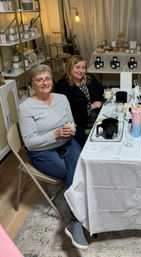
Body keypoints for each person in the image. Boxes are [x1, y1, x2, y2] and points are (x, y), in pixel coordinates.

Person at [18, 64, 89, 250]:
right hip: (42, 152)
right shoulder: (26, 107)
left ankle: (75, 221)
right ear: (32, 84)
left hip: (67, 143)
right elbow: (30, 143)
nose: (45, 82)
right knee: (71, 172)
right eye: (39, 79)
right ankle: (79, 218)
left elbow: (71, 123)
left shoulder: (61, 98)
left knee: (78, 169)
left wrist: (70, 129)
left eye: (47, 78)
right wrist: (55, 134)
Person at [54, 55, 104, 147]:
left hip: (97, 116)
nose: (81, 71)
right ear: (69, 68)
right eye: (77, 67)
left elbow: (100, 92)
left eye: (83, 68)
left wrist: (104, 96)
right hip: (78, 123)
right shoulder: (62, 86)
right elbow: (68, 111)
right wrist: (91, 106)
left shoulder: (89, 79)